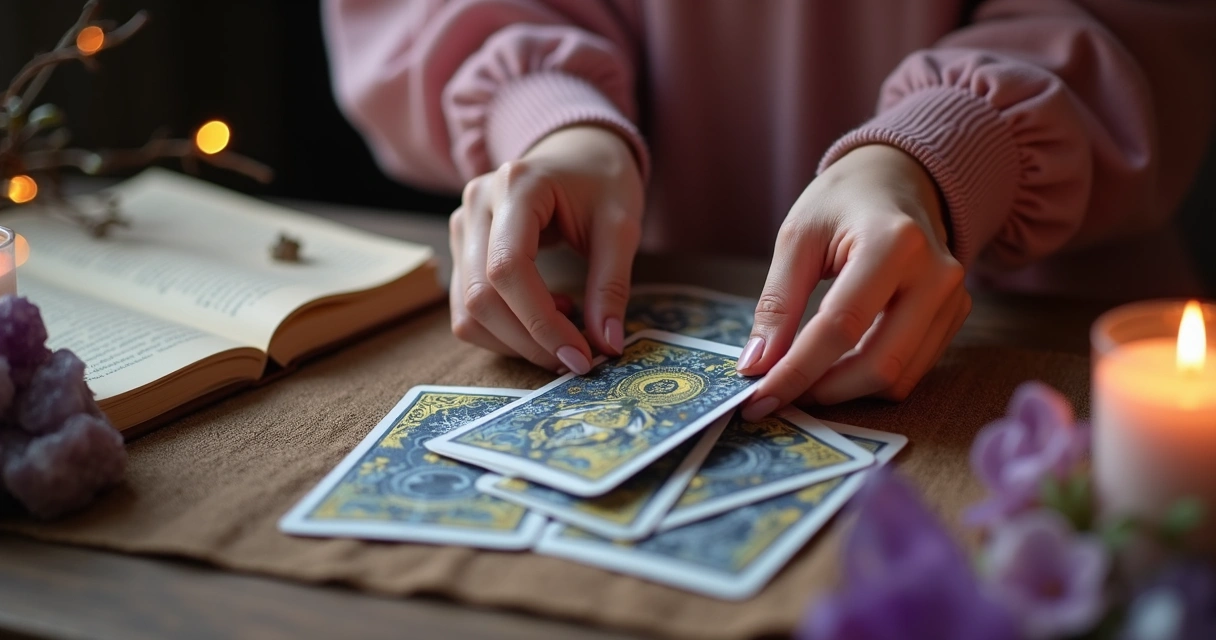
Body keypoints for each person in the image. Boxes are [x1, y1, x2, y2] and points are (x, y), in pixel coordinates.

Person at [321, 0, 1216, 422]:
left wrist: (946, 153)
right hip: (617, 286)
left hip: (1030, 330)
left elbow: (1143, 26)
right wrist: (550, 120)